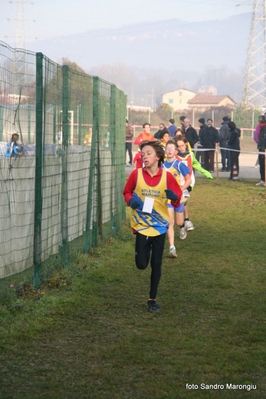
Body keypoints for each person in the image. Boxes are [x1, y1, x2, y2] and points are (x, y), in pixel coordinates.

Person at [123, 140, 182, 313]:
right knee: (141, 264)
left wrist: (174, 197)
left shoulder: (167, 176)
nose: (145, 156)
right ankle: (144, 252)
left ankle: (152, 299)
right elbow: (126, 191)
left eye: (148, 153)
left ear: (157, 156)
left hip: (160, 227)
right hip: (142, 225)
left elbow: (178, 198)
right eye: (143, 154)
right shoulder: (136, 174)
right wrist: (130, 201)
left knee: (156, 263)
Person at [176, 136, 213, 231]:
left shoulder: (191, 154)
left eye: (182, 145)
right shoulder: (174, 156)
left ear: (186, 144)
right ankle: (184, 222)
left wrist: (205, 172)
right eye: (179, 146)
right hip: (178, 182)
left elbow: (196, 164)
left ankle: (185, 223)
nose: (181, 148)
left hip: (188, 182)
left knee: (182, 199)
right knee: (180, 201)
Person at [162, 140, 191, 258]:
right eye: (167, 148)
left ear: (176, 151)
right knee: (170, 222)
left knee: (178, 222)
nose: (169, 150)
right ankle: (172, 248)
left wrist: (180, 189)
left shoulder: (179, 164)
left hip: (178, 198)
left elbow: (188, 180)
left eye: (171, 148)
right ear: (165, 151)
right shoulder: (161, 166)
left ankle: (182, 226)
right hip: (167, 198)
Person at [256, 115, 266, 186]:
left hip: (264, 150)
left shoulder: (264, 129)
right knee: (261, 165)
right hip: (261, 149)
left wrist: (263, 147)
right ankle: (262, 179)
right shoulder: (261, 128)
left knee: (264, 165)